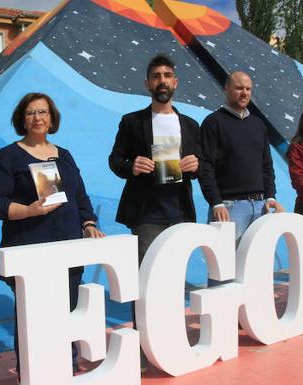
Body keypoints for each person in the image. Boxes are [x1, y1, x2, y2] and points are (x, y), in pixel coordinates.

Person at [0, 92, 104, 377]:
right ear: (22, 120)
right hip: (28, 251)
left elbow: (80, 197)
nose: (37, 118)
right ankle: (31, 373)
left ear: (52, 119)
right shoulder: (9, 156)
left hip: (68, 250)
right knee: (32, 319)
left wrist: (88, 223)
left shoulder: (65, 155)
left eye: (43, 112)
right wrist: (29, 210)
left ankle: (68, 368)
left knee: (69, 313)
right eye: (31, 113)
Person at [108, 54, 200, 372]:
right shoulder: (131, 122)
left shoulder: (190, 125)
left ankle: (171, 341)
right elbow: (115, 161)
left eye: (167, 75)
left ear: (176, 82)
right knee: (146, 285)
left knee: (175, 283)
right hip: (147, 216)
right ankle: (146, 351)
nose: (162, 80)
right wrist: (130, 166)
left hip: (181, 215)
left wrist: (196, 165)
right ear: (147, 83)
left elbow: (203, 164)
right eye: (156, 76)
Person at [199, 71, 283, 242]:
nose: (244, 92)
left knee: (256, 267)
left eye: (248, 88)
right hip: (228, 209)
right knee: (225, 267)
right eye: (239, 88)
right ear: (226, 88)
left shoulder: (258, 125)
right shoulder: (213, 122)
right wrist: (216, 203)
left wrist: (271, 196)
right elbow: (205, 166)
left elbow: (266, 165)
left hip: (260, 208)